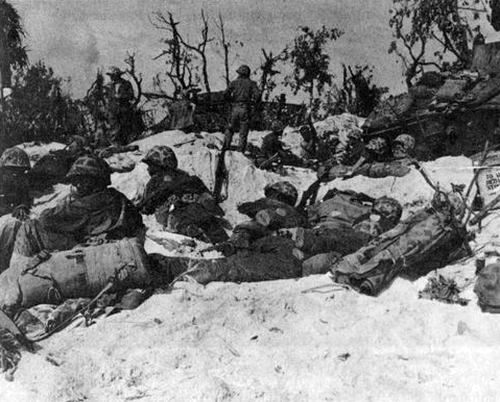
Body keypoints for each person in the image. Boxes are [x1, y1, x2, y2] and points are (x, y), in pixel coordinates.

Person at [13, 155, 144, 259]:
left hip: (92, 253)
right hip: (118, 249)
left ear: (97, 180)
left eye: (83, 180)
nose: (78, 185)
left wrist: (67, 202)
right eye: (76, 180)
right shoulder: (117, 196)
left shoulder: (86, 203)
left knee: (30, 227)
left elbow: (46, 219)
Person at [138, 145, 228, 244]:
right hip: (198, 214)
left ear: (160, 166)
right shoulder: (186, 177)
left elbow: (147, 207)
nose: (148, 169)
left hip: (177, 219)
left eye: (151, 166)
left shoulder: (157, 181)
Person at [217, 181, 307, 256]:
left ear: (278, 194)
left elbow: (248, 208)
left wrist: (242, 207)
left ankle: (233, 246)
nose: (270, 196)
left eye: (272, 193)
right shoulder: (296, 214)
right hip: (285, 246)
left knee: (247, 226)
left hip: (265, 237)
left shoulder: (269, 202)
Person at [0, 147, 33, 273]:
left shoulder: (21, 183)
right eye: (12, 171)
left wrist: (22, 207)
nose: (16, 176)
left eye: (21, 172)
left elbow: (25, 200)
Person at [224, 65, 261, 153]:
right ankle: (240, 152)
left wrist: (231, 101)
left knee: (230, 128)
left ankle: (225, 148)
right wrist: (253, 103)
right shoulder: (252, 83)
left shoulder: (234, 83)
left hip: (235, 108)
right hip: (245, 108)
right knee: (243, 132)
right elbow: (257, 96)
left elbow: (225, 94)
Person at [105, 66, 135, 146]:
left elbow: (131, 96)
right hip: (113, 110)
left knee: (125, 126)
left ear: (117, 75)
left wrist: (121, 96)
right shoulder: (109, 86)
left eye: (112, 75)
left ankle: (127, 144)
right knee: (114, 127)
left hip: (124, 108)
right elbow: (108, 98)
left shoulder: (126, 84)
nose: (111, 77)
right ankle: (116, 145)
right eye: (110, 75)